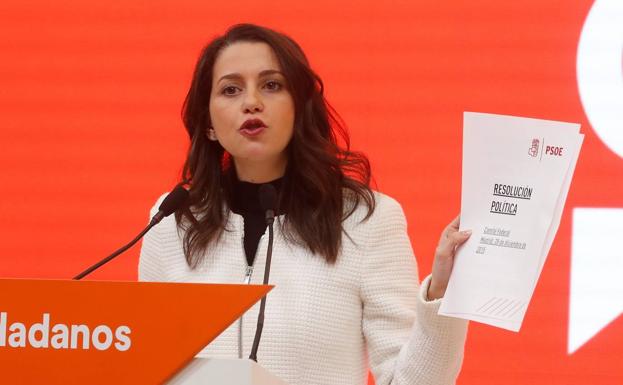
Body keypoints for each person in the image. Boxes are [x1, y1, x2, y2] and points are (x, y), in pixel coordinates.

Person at [139, 23, 471, 385]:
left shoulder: (366, 220)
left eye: (271, 85)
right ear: (209, 125)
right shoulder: (174, 221)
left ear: (300, 106)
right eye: (231, 89)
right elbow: (151, 368)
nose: (251, 102)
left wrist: (442, 296)